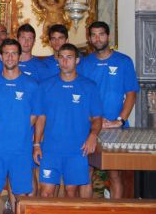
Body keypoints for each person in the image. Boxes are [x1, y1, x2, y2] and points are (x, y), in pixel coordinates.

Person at [78, 21, 139, 198]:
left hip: (115, 129)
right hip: (89, 128)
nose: (98, 39)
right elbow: (80, 96)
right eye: (94, 35)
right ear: (89, 39)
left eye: (101, 34)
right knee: (86, 175)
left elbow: (131, 94)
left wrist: (118, 121)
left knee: (115, 174)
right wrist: (92, 121)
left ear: (108, 36)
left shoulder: (123, 61)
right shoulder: (83, 64)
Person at [34, 43, 102, 198]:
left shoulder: (89, 86)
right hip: (51, 150)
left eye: (69, 57)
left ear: (77, 60)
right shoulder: (46, 86)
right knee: (45, 193)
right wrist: (37, 144)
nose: (65, 61)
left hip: (77, 151)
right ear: (57, 60)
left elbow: (97, 118)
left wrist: (93, 136)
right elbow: (41, 117)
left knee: (71, 193)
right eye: (61, 57)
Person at [0, 39, 40, 214]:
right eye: (6, 53)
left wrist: (18, 129)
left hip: (20, 150)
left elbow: (35, 115)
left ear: (19, 56)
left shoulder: (31, 85)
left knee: (21, 195)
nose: (10, 57)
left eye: (14, 53)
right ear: (0, 57)